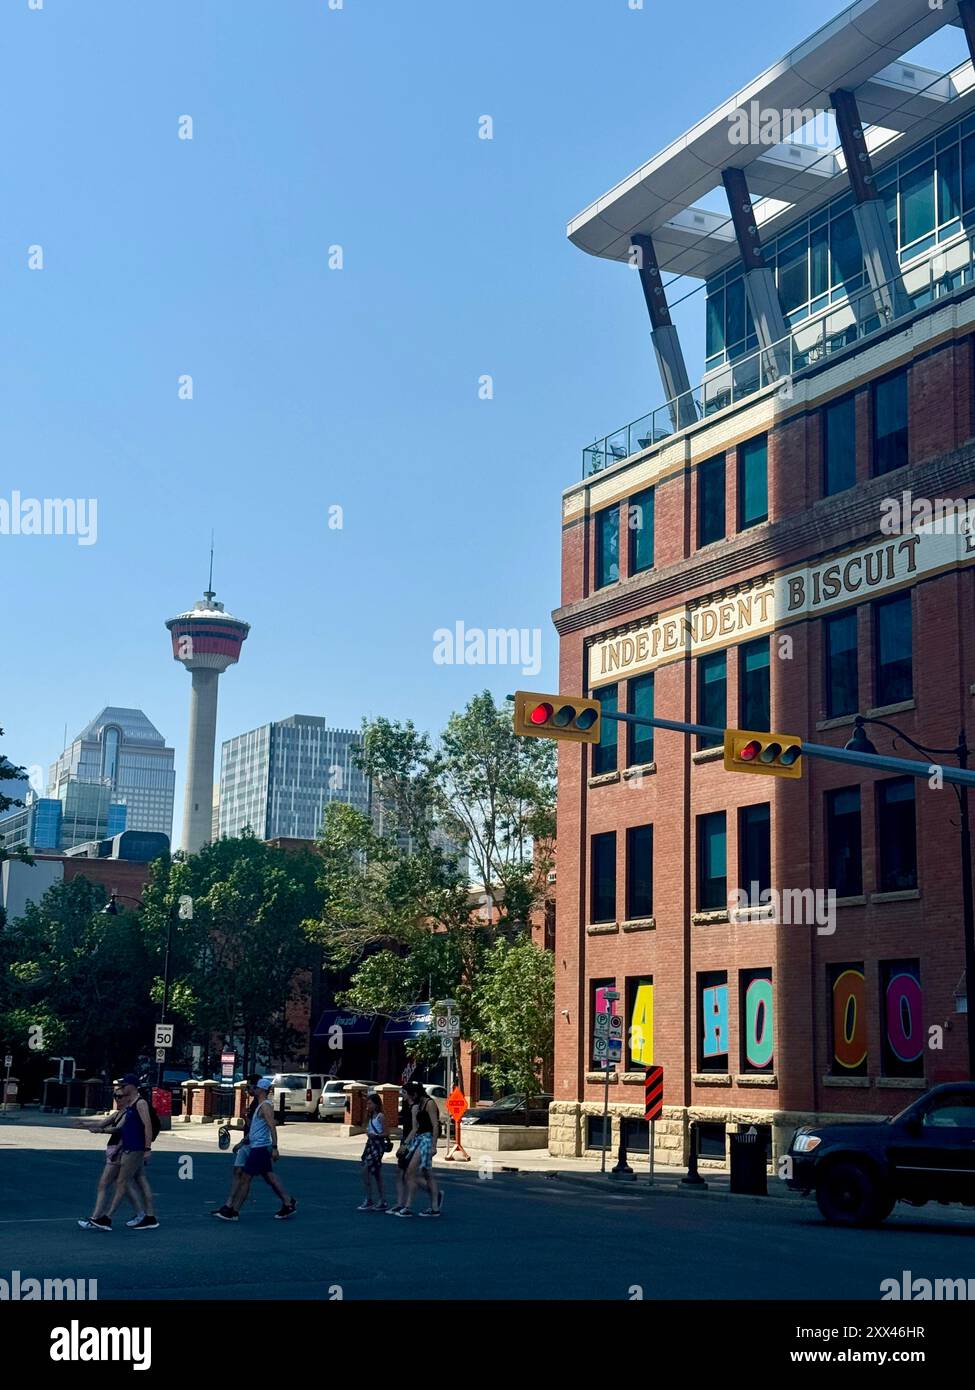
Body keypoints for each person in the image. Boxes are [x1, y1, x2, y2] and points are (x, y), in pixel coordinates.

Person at [213, 1076, 297, 1221]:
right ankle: (288, 1202)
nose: (254, 1089)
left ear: (262, 1090)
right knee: (269, 1176)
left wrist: (275, 1147)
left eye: (257, 1088)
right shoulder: (260, 1105)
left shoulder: (265, 1106)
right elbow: (254, 1129)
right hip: (257, 1146)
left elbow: (272, 1126)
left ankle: (234, 1212)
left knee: (246, 1178)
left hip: (260, 1147)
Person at [76, 1087, 142, 1231]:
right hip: (116, 1150)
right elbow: (102, 1123)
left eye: (119, 1096)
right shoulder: (119, 1113)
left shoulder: (130, 1114)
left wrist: (101, 1131)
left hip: (119, 1151)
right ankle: (141, 1214)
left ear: (127, 1097)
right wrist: (85, 1125)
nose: (116, 1099)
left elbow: (118, 1129)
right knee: (125, 1185)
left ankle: (96, 1217)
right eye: (115, 1096)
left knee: (104, 1184)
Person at [101, 1074, 159, 1230]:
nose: (121, 1088)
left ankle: (108, 1217)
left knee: (122, 1181)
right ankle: (149, 1216)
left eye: (124, 1085)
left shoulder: (140, 1103)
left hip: (136, 1148)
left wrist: (147, 1149)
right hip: (129, 1146)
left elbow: (148, 1126)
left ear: (132, 1086)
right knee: (140, 1181)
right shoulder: (131, 1104)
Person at [212, 1074, 262, 1221]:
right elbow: (248, 1125)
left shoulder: (261, 1105)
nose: (246, 1090)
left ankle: (234, 1211)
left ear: (255, 1087)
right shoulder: (254, 1103)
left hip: (253, 1144)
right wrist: (232, 1126)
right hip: (248, 1143)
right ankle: (228, 1206)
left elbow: (255, 1128)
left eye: (248, 1087)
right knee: (238, 1172)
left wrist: (241, 1142)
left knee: (247, 1177)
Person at [397, 1081, 443, 1219]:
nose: (406, 1098)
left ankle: (409, 1206)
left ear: (415, 1094)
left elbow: (435, 1125)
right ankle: (434, 1206)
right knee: (426, 1172)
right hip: (418, 1138)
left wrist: (434, 1146)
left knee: (412, 1171)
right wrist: (405, 1144)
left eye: (407, 1094)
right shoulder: (416, 1106)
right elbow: (415, 1128)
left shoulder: (429, 1103)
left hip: (427, 1139)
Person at [357, 1092, 388, 1211]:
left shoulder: (380, 1116)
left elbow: (386, 1133)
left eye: (370, 1103)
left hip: (377, 1145)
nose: (368, 1106)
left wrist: (376, 1134)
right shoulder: (370, 1116)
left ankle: (370, 1198)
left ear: (376, 1104)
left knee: (367, 1168)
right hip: (370, 1144)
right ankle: (381, 1199)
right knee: (376, 1173)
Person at [388, 1088, 414, 1216]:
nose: (401, 1095)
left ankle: (408, 1205)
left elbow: (416, 1128)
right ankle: (400, 1203)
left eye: (404, 1093)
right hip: (405, 1139)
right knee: (400, 1172)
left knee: (411, 1175)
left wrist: (405, 1144)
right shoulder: (405, 1106)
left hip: (413, 1141)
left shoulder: (416, 1107)